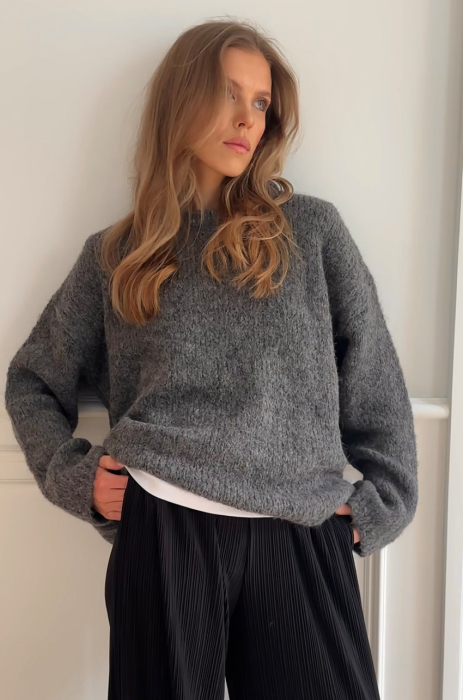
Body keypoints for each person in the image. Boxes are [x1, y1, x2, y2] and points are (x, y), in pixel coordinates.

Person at [4, 17, 418, 700]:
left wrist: (383, 504)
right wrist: (74, 477)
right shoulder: (119, 256)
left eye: (261, 102)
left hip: (300, 529)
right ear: (181, 99)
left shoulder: (311, 232)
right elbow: (31, 381)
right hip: (163, 527)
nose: (248, 118)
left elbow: (375, 383)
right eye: (228, 93)